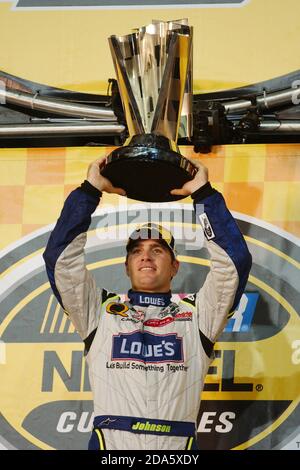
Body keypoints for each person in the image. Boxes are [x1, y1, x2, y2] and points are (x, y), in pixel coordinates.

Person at [43, 155, 252, 450]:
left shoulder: (198, 314)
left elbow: (233, 264)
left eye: (157, 250)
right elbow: (60, 260)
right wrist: (89, 191)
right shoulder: (98, 311)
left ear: (175, 266)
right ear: (127, 266)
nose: (146, 256)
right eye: (137, 251)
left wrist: (204, 196)